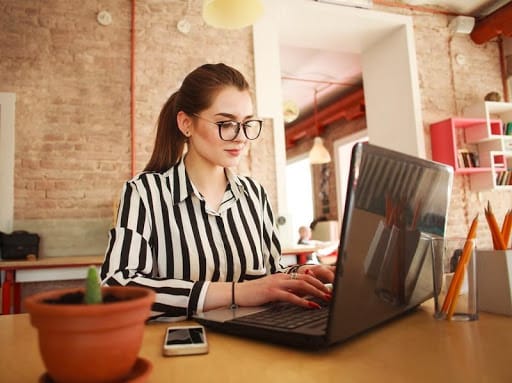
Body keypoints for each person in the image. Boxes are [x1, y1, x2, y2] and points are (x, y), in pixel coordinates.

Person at [101, 63, 335, 321]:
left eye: (247, 123)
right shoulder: (144, 193)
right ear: (186, 124)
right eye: (226, 123)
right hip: (186, 348)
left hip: (259, 341)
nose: (241, 137)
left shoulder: (255, 194)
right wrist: (237, 293)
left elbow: (270, 271)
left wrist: (303, 273)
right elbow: (117, 287)